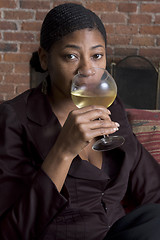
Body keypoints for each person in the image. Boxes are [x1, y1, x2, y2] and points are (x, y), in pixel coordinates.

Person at [0, 3, 160, 240]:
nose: (87, 70)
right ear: (45, 59)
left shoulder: (110, 107)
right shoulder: (14, 118)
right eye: (71, 56)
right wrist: (62, 152)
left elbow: (153, 189)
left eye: (97, 56)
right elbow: (11, 231)